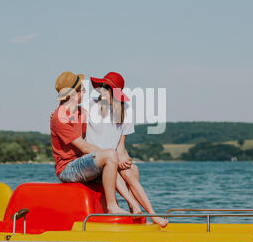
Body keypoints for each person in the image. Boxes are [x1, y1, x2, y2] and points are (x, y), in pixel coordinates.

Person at [86, 72, 169, 228]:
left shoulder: (125, 110)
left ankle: (147, 213)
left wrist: (124, 157)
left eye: (106, 87)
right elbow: (67, 115)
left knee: (132, 169)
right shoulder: (89, 106)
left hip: (113, 157)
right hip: (94, 160)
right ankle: (137, 207)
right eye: (101, 86)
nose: (101, 90)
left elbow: (121, 144)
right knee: (115, 166)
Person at [50, 71, 128, 215]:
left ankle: (136, 209)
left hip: (80, 162)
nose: (85, 92)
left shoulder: (81, 112)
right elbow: (84, 147)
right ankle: (111, 206)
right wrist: (108, 155)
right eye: (81, 90)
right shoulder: (60, 117)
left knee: (128, 171)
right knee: (110, 157)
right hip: (67, 168)